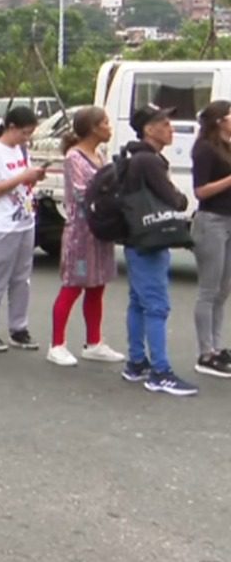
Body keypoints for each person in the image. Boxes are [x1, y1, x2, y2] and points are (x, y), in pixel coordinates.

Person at [121, 105, 196, 396]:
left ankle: (137, 362)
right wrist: (178, 198)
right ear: (148, 129)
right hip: (150, 237)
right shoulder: (149, 161)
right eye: (163, 123)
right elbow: (174, 199)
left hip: (136, 237)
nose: (170, 128)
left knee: (139, 302)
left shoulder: (136, 157)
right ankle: (160, 372)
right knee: (156, 305)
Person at [47, 107, 125, 367]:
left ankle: (94, 342)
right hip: (81, 232)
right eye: (105, 122)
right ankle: (57, 344)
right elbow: (83, 192)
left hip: (100, 230)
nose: (109, 126)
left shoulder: (100, 155)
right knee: (73, 285)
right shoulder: (74, 157)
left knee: (97, 285)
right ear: (92, 128)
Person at [0, 107, 46, 353]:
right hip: (1, 225)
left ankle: (18, 328)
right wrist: (23, 175)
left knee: (21, 279)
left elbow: (23, 181)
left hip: (25, 220)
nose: (26, 138)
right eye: (24, 132)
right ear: (11, 127)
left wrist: (33, 176)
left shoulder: (21, 149)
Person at [191, 100, 231, 379]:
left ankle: (217, 347)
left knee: (223, 289)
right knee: (208, 289)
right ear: (219, 120)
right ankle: (206, 352)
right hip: (211, 221)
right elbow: (201, 191)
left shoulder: (228, 145)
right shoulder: (204, 148)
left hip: (229, 220)